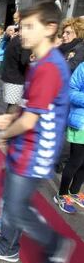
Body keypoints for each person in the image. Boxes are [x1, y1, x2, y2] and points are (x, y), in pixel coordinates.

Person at [0, 0, 75, 263]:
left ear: (50, 28)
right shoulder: (41, 62)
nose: (22, 32)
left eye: (30, 26)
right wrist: (11, 119)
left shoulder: (49, 67)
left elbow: (31, 120)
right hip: (24, 147)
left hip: (35, 152)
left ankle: (55, 243)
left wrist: (6, 131)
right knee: (10, 201)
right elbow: (31, 105)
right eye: (21, 26)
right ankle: (8, 246)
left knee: (17, 208)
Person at [54, 62, 84, 214]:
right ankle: (61, 195)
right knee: (75, 161)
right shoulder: (83, 67)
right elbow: (71, 92)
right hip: (81, 123)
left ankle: (75, 192)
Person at [1, 25, 31, 113]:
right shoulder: (22, 42)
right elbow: (25, 61)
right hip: (16, 79)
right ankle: (8, 125)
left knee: (12, 106)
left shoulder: (15, 39)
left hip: (11, 77)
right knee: (14, 108)